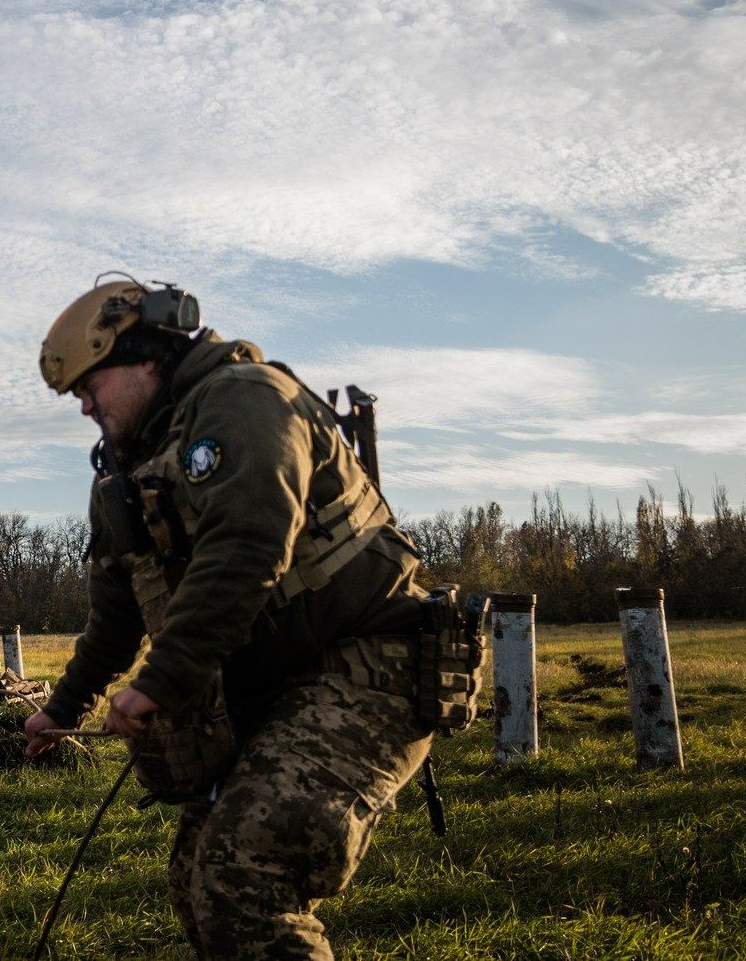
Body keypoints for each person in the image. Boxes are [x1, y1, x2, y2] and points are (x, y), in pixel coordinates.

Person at [24, 277, 445, 961]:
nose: (84, 407)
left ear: (144, 359)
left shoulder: (247, 400)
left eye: (89, 387)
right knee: (197, 881)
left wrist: (158, 682)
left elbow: (246, 549)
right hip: (280, 688)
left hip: (372, 664)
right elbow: (115, 613)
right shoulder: (124, 475)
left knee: (243, 878)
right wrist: (64, 705)